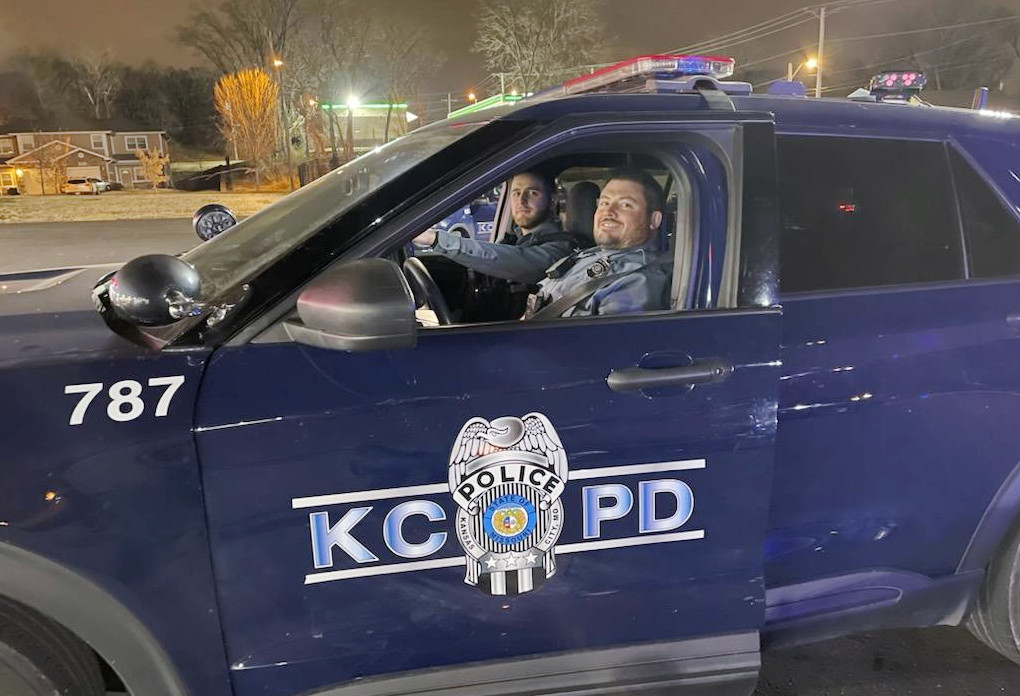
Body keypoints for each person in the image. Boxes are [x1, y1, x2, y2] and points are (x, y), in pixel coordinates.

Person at [525, 168, 672, 319]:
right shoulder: (586, 255)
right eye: (604, 203)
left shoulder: (639, 281)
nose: (608, 212)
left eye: (626, 205)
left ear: (654, 220)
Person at [413, 172, 577, 283]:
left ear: (553, 200)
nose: (521, 201)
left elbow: (508, 258)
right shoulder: (514, 239)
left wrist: (434, 238)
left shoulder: (561, 251)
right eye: (516, 193)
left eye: (532, 193)